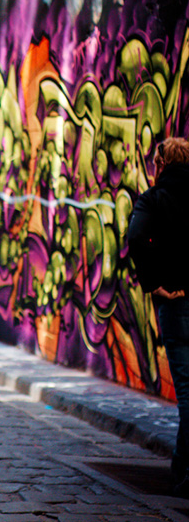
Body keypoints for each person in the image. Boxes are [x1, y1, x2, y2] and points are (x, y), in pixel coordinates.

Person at [129, 137, 189, 496]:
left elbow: (136, 238)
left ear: (161, 164)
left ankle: (184, 470)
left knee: (186, 389)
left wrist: (154, 284)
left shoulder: (153, 198)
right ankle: (181, 466)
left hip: (177, 302)